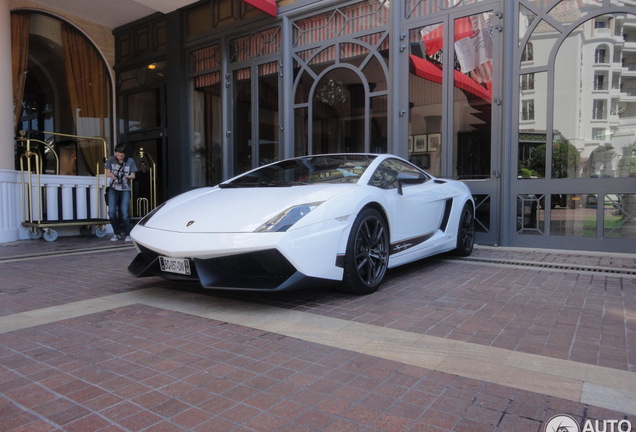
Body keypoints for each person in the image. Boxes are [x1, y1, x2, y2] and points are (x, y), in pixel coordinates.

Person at [105, 144, 137, 241]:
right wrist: (113, 176)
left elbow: (133, 176)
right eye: (118, 155)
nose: (119, 157)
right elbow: (107, 173)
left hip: (125, 189)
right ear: (115, 153)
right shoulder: (111, 159)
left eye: (121, 156)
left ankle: (128, 234)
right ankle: (117, 233)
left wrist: (125, 176)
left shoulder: (130, 161)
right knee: (111, 212)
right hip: (113, 188)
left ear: (125, 154)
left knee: (124, 212)